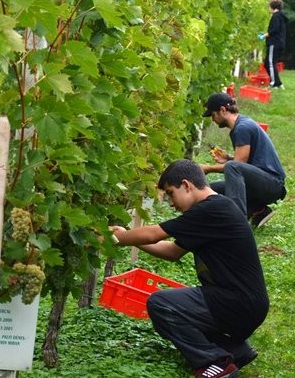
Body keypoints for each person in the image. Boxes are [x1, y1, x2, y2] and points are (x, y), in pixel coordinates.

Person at [108, 159, 269, 378]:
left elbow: (154, 234)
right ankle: (235, 350)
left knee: (162, 304)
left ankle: (216, 364)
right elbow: (172, 252)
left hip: (238, 304)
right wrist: (128, 237)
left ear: (186, 185)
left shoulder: (211, 209)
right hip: (242, 304)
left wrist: (116, 237)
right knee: (175, 306)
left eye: (171, 194)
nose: (172, 204)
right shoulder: (212, 210)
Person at [201, 92, 286, 227]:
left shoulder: (242, 128)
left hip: (272, 184)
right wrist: (228, 159)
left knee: (232, 167)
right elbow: (242, 166)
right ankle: (258, 209)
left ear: (223, 110)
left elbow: (238, 166)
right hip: (261, 182)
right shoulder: (240, 125)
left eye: (213, 115)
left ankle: (236, 221)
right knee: (211, 189)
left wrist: (208, 168)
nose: (212, 119)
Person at [260, 0, 287, 89]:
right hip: (279, 42)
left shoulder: (276, 16)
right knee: (267, 63)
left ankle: (274, 83)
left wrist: (265, 35)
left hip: (274, 43)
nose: (268, 9)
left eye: (269, 6)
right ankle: (278, 83)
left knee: (271, 63)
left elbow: (274, 30)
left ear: (272, 7)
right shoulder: (281, 16)